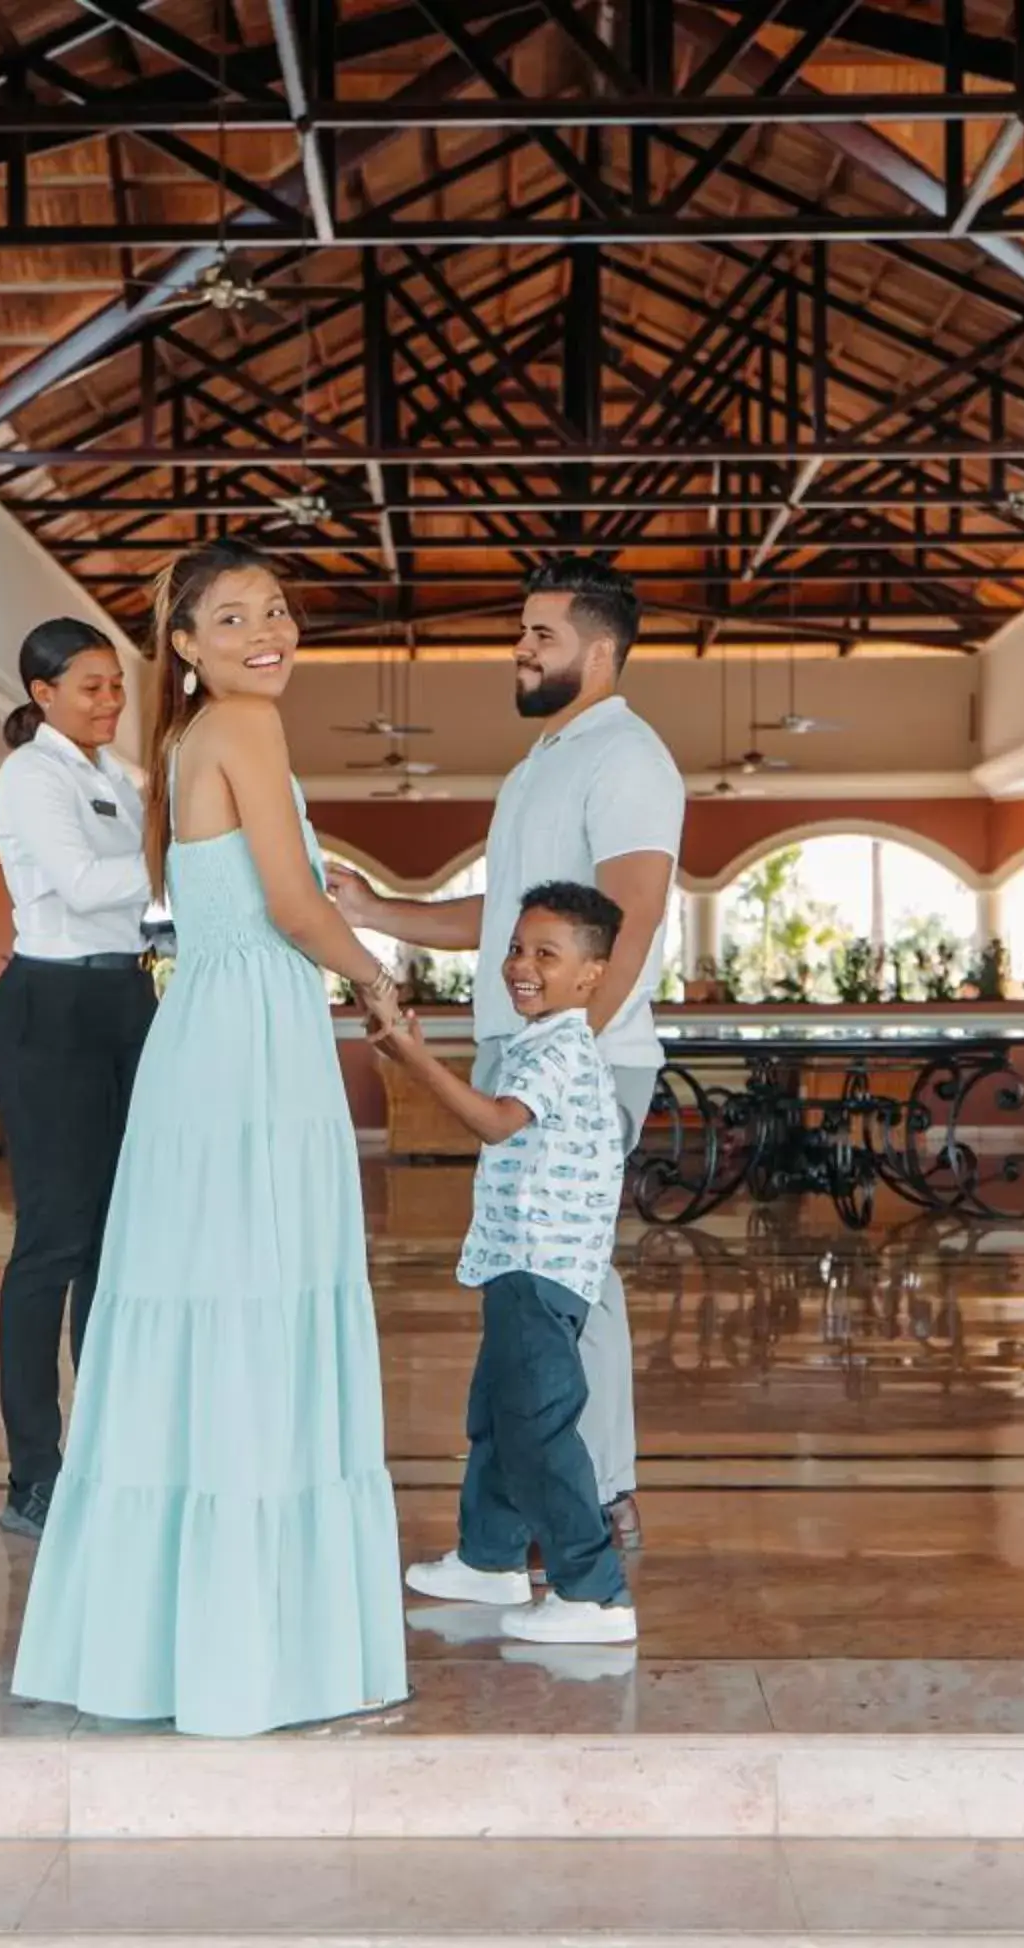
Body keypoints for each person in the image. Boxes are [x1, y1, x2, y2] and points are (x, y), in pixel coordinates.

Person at [11, 537, 411, 1737]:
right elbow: (291, 905)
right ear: (182, 645)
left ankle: (167, 1644)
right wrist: (379, 980)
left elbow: (258, 895)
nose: (264, 633)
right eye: (230, 618)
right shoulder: (240, 727)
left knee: (207, 1295)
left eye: (277, 611)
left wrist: (341, 950)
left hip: (216, 1026)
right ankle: (259, 1648)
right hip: (254, 1031)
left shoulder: (185, 741)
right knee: (262, 1289)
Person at [328, 556, 682, 1549]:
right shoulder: (542, 765)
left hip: (582, 1058)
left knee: (573, 1281)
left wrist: (566, 1056)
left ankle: (602, 1494)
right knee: (536, 1283)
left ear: (600, 649)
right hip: (521, 1049)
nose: (519, 649)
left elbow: (636, 911)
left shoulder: (627, 759)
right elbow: (501, 922)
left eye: (542, 634)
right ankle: (547, 1494)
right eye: (521, 631)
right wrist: (376, 910)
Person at [374, 882, 639, 1647]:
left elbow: (495, 1123)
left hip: (541, 1266)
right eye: (518, 948)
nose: (522, 965)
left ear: (592, 975)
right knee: (498, 1418)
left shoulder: (558, 1049)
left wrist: (413, 1056)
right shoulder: (543, 1041)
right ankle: (489, 1557)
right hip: (517, 1261)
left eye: (546, 955)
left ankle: (593, 1592)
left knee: (537, 1430)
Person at [0, 617, 155, 1541]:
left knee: (112, 1243)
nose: (109, 701)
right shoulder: (31, 774)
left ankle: (99, 1450)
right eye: (91, 686)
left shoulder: (112, 781)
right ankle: (32, 1475)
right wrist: (182, 858)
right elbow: (88, 889)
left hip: (125, 1003)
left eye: (116, 686)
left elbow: (138, 902)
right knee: (53, 1242)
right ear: (43, 693)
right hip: (49, 1010)